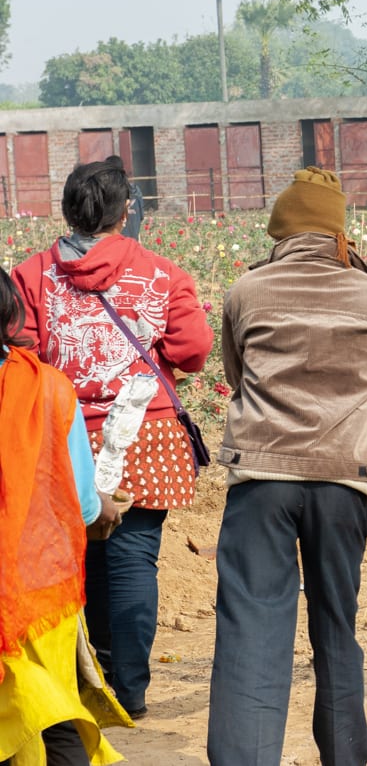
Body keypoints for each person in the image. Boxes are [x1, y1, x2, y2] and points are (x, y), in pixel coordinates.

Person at [208, 168, 367, 766]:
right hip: (344, 482)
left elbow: (237, 378)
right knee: (335, 627)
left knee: (250, 630)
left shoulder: (247, 291)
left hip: (262, 480)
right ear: (339, 233)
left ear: (281, 232)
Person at [10, 159, 213, 720]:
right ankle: (130, 689)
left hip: (61, 438)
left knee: (75, 562)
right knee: (133, 559)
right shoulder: (162, 274)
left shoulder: (31, 275)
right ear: (126, 211)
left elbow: (22, 351)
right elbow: (193, 351)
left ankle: (84, 679)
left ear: (67, 210)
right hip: (145, 435)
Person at [0, 266, 127, 766]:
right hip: (38, 585)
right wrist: (104, 508)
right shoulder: (48, 388)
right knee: (52, 718)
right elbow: (82, 503)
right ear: (9, 312)